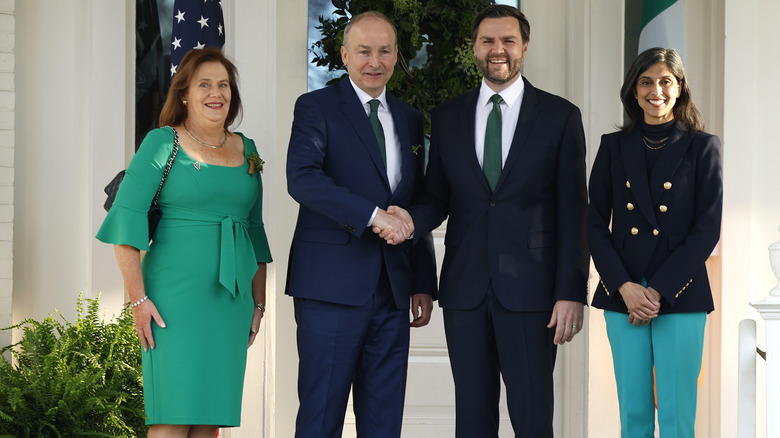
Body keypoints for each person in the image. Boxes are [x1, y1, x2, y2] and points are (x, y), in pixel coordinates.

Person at [379, 5, 589, 436]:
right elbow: (438, 196)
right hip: (465, 292)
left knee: (532, 418)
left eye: (508, 41)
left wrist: (571, 292)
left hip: (533, 295)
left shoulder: (560, 117)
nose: (498, 50)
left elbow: (574, 211)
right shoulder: (448, 116)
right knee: (472, 419)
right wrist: (408, 220)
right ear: (474, 47)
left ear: (524, 47)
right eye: (488, 41)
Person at [97, 47, 272, 437]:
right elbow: (125, 227)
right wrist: (138, 301)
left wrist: (258, 304)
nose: (216, 93)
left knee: (209, 421)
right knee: (172, 419)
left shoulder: (248, 149)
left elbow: (255, 232)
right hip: (173, 301)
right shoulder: (162, 142)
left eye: (223, 85)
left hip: (230, 302)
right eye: (204, 84)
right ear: (184, 95)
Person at [285, 11, 438, 438]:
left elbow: (415, 199)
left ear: (396, 56)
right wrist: (373, 217)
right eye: (365, 51)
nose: (375, 61)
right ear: (345, 55)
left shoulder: (408, 117)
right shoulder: (316, 106)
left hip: (392, 291)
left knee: (384, 422)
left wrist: (422, 279)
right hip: (329, 289)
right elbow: (303, 179)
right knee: (321, 418)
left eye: (385, 51)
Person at [587, 47, 722, 437]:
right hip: (623, 291)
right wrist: (625, 287)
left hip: (679, 293)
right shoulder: (613, 147)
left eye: (665, 81)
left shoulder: (702, 147)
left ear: (680, 88)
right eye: (646, 81)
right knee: (634, 413)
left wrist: (658, 291)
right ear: (633, 89)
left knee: (679, 417)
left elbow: (707, 228)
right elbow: (595, 222)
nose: (655, 90)